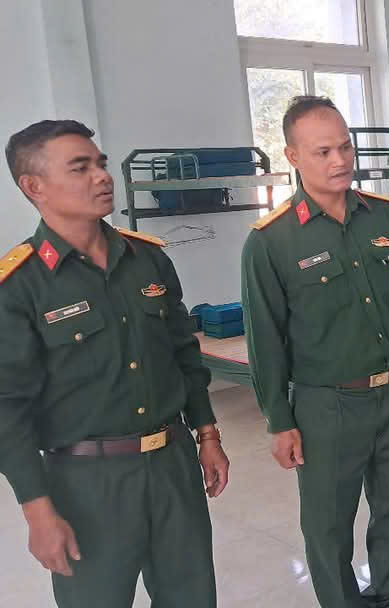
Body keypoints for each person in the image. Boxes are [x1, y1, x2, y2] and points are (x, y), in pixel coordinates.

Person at [0, 120, 229, 607]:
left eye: (100, 164)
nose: (102, 176)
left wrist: (207, 434)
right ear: (34, 187)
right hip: (87, 485)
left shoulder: (148, 259)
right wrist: (37, 510)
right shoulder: (19, 285)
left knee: (191, 597)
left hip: (172, 465)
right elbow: (7, 407)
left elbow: (183, 354)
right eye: (80, 167)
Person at [240, 96, 389, 608]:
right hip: (327, 404)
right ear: (293, 156)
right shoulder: (271, 242)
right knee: (328, 523)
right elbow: (264, 340)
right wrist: (279, 420)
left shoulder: (384, 216)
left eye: (345, 147)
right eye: (323, 152)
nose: (339, 161)